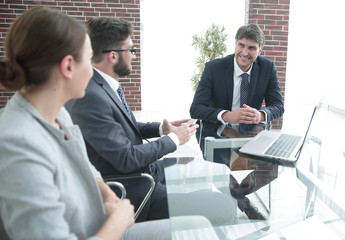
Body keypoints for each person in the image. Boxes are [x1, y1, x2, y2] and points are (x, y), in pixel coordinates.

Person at [0, 7, 171, 240]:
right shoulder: (18, 145)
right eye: (88, 59)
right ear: (68, 66)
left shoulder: (57, 112)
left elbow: (85, 165)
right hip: (106, 232)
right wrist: (118, 223)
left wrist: (110, 198)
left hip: (104, 224)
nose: (92, 72)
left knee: (198, 224)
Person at [65, 17, 199, 222]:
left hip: (147, 173)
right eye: (132, 50)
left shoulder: (103, 85)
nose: (134, 56)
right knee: (219, 204)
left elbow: (122, 126)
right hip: (135, 191)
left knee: (199, 169)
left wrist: (162, 130)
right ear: (113, 56)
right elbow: (127, 159)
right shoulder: (91, 97)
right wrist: (174, 139)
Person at [190, 23, 284, 127]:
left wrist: (260, 115)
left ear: (259, 51)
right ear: (236, 44)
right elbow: (196, 109)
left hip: (250, 134)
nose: (244, 53)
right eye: (241, 45)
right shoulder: (214, 68)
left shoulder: (267, 68)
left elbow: (278, 106)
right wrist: (227, 116)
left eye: (251, 48)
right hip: (216, 133)